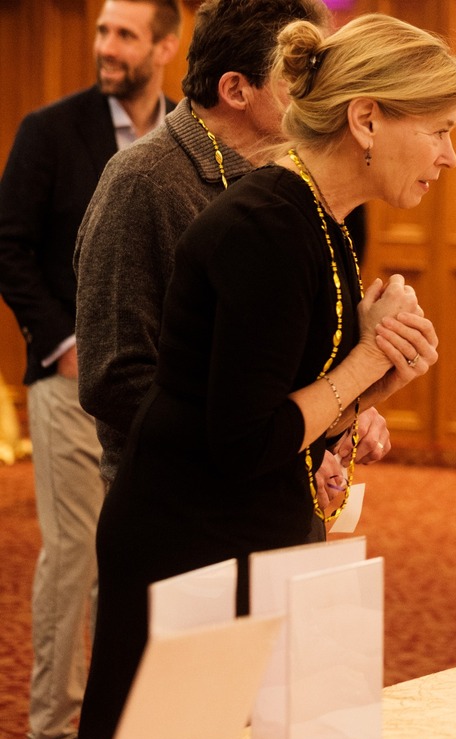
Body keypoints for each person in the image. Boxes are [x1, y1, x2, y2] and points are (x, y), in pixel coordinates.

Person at [73, 13, 456, 739]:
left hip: (246, 534)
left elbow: (291, 412)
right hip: (187, 544)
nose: (450, 157)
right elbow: (246, 440)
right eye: (438, 130)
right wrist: (367, 358)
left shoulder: (324, 222)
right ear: (366, 119)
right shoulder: (264, 224)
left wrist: (381, 380)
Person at [74, 0, 379, 526]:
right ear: (236, 89)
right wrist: (269, 433)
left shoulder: (293, 177)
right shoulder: (140, 182)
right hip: (174, 503)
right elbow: (113, 378)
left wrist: (333, 416)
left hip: (271, 480)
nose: (318, 95)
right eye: (298, 76)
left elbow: (283, 361)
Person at [0, 0, 180, 739]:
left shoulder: (188, 138)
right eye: (103, 31)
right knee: (76, 551)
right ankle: (55, 735)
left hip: (160, 393)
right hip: (71, 382)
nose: (107, 46)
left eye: (126, 35)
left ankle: (126, 719)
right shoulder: (50, 129)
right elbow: (7, 247)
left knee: (139, 550)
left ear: (167, 47)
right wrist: (65, 343)